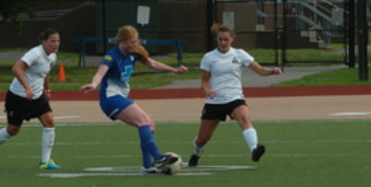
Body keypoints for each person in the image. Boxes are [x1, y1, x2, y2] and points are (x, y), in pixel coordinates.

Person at [80, 24, 188, 174]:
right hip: (111, 98)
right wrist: (93, 84)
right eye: (132, 42)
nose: (135, 44)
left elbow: (152, 63)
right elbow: (100, 73)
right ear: (122, 41)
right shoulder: (111, 55)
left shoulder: (134, 53)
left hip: (119, 97)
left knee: (150, 125)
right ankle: (158, 157)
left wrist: (174, 70)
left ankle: (147, 166)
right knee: (143, 122)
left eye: (136, 41)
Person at [188, 23, 283, 167]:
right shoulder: (209, 57)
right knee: (202, 139)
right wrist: (208, 90)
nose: (223, 42)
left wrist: (271, 71)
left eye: (226, 39)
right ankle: (196, 153)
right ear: (216, 39)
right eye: (220, 39)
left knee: (244, 119)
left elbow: (259, 70)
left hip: (235, 98)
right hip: (215, 102)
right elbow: (205, 81)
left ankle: (254, 149)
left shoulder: (239, 54)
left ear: (232, 39)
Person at [0, 28, 62, 169]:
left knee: (49, 123)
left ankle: (45, 161)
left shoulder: (53, 56)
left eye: (58, 41)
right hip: (18, 97)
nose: (56, 44)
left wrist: (47, 89)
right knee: (13, 130)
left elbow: (45, 72)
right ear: (43, 41)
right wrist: (27, 87)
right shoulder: (35, 53)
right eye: (52, 41)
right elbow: (16, 68)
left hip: (37, 96)